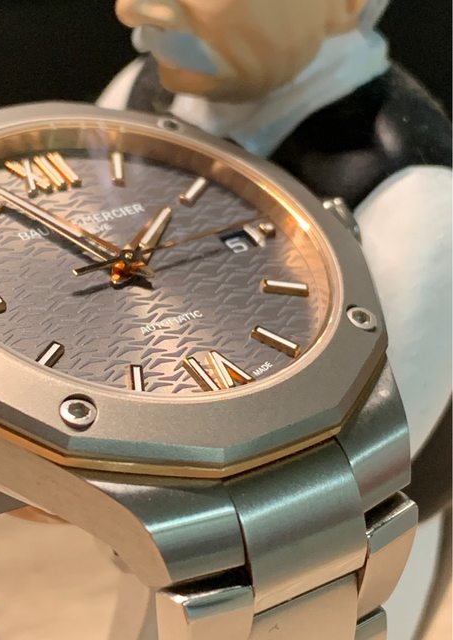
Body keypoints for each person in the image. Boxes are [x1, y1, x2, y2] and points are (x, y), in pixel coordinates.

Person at [99, 1, 452, 637]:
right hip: (162, 534)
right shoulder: (136, 96)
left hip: (340, 569)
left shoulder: (416, 202)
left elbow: (362, 469)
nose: (133, 7)